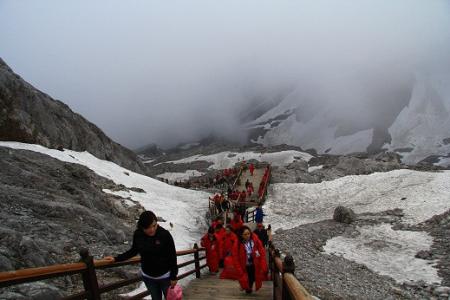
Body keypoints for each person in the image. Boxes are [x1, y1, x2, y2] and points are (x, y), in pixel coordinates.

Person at [104, 211, 177, 300]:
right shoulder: (138, 235)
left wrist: (173, 276)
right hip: (148, 277)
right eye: (148, 227)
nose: (152, 229)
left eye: (154, 225)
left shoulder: (164, 235)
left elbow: (172, 256)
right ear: (142, 226)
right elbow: (133, 251)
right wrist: (116, 259)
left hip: (165, 277)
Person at [233, 226, 268, 294]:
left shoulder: (255, 240)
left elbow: (262, 252)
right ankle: (245, 286)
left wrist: (264, 265)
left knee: (251, 277)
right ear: (241, 235)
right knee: (245, 277)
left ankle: (248, 288)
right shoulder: (238, 243)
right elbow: (235, 257)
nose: (247, 236)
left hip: (253, 263)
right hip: (244, 264)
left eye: (248, 233)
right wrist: (238, 268)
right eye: (245, 234)